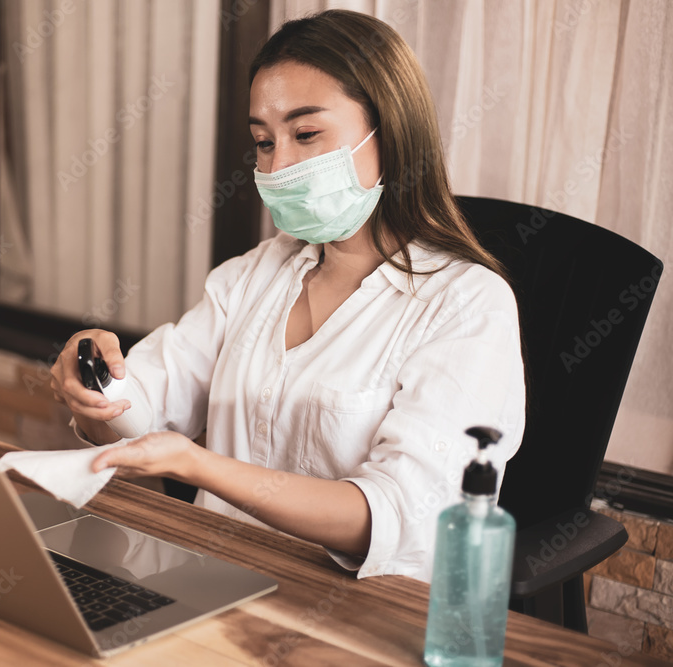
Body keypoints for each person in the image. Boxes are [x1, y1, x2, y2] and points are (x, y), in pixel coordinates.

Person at [49, 9, 525, 583]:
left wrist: (200, 467)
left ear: (391, 132)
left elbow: (399, 516)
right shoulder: (256, 274)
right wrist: (98, 388)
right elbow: (143, 409)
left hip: (352, 607)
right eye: (263, 142)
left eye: (305, 134)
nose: (279, 167)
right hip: (207, 578)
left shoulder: (467, 304)